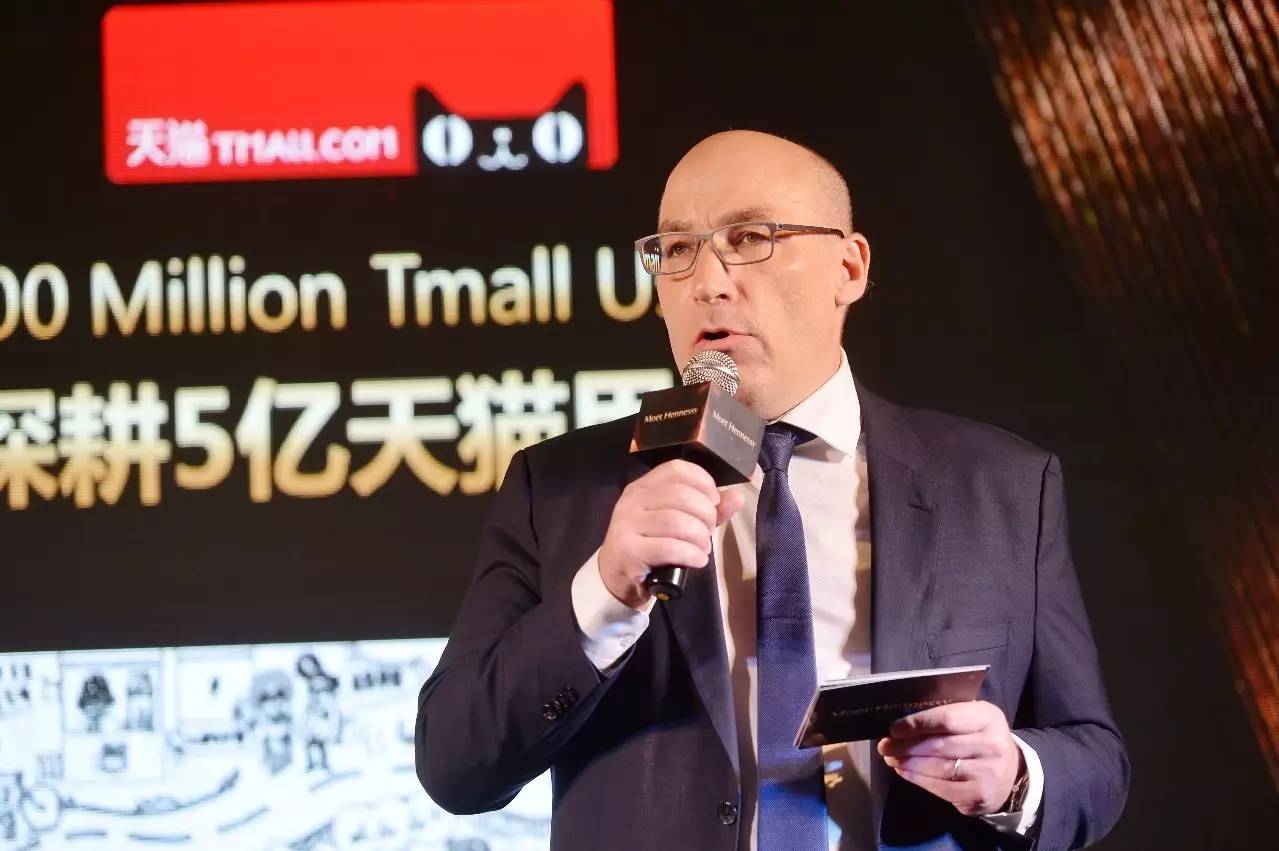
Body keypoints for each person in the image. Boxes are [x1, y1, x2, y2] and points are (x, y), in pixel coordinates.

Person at [415, 130, 1129, 850]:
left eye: (750, 238)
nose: (707, 282)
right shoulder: (562, 487)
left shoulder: (999, 485)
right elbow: (454, 764)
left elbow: (1094, 758)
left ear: (848, 267)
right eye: (676, 249)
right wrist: (604, 593)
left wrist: (1014, 776)